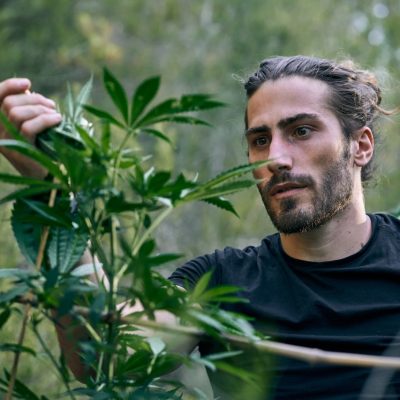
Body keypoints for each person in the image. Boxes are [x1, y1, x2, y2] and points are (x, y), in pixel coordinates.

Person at [1, 55, 400, 399]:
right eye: (260, 140)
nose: (276, 157)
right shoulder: (218, 282)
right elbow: (107, 356)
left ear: (360, 146)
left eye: (301, 131)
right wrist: (53, 195)